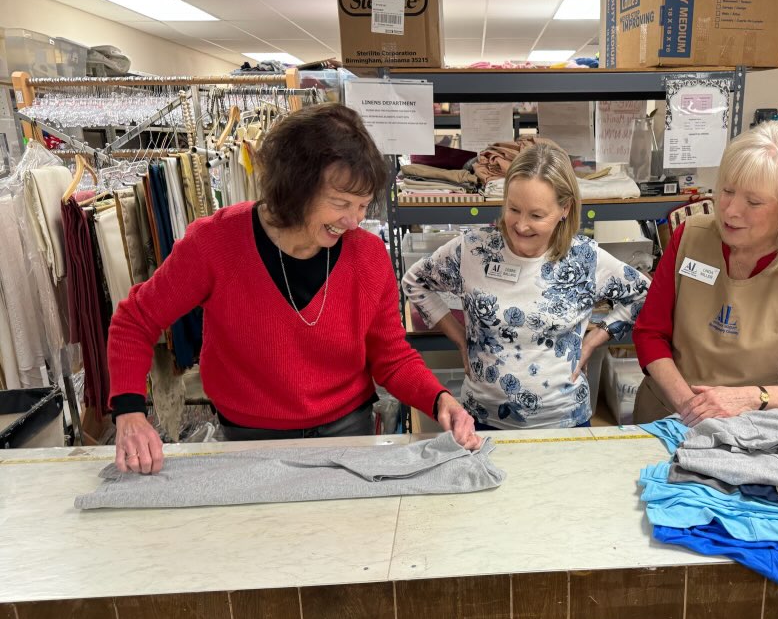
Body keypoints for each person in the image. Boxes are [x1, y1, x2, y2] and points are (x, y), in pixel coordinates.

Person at [109, 103, 480, 474]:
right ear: (295, 188)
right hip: (249, 438)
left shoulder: (367, 256)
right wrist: (130, 411)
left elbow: (391, 356)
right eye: (340, 203)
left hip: (349, 432)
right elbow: (135, 321)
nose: (353, 221)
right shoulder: (215, 243)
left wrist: (438, 399)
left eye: (363, 206)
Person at [402, 143, 650, 430]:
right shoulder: (473, 249)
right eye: (513, 209)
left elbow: (643, 293)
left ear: (565, 209)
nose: (521, 226)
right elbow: (415, 281)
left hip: (564, 421)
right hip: (481, 419)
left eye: (536, 215)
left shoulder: (584, 258)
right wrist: (459, 337)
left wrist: (594, 340)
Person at [631, 120, 778, 427]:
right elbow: (649, 333)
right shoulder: (690, 238)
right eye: (727, 190)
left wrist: (753, 397)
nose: (730, 211)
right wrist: (690, 407)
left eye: (753, 202)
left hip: (752, 426)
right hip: (666, 412)